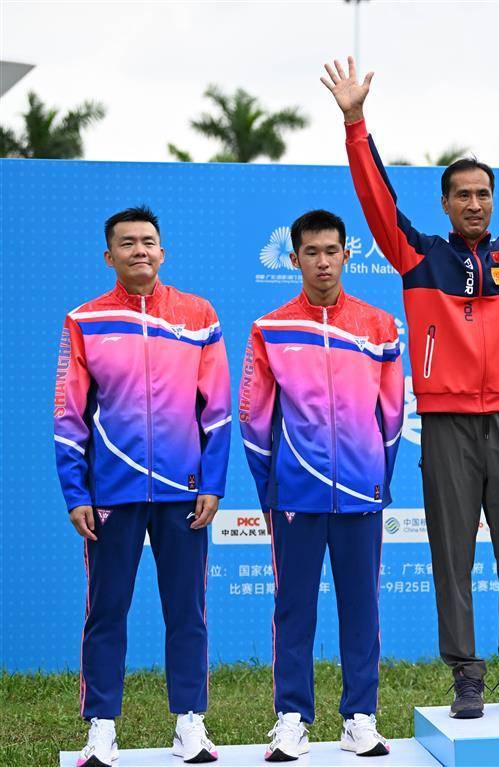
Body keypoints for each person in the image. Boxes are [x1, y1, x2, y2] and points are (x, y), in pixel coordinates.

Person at [323, 56, 499, 718]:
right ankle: (466, 675)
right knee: (452, 559)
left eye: (483, 194)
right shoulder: (420, 258)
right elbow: (377, 201)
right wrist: (356, 122)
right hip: (446, 427)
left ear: (494, 201)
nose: (475, 203)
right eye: (463, 195)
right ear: (445, 203)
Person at [54, 206, 229, 766]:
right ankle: (102, 727)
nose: (140, 251)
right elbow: (69, 417)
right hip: (112, 492)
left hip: (183, 491)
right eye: (127, 243)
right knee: (106, 611)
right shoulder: (85, 320)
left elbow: (218, 410)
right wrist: (77, 493)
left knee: (188, 612)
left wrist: (212, 482)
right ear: (109, 256)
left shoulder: (198, 315)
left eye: (148, 241)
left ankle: (190, 723)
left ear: (163, 251)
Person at [239, 210, 402, 760]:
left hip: (360, 493)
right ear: (295, 259)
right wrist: (272, 488)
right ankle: (291, 717)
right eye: (312, 252)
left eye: (332, 251)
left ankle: (360, 716)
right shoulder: (270, 328)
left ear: (347, 255)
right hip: (295, 495)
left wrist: (376, 477)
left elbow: (393, 415)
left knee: (362, 607)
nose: (323, 262)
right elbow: (254, 419)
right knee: (294, 608)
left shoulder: (379, 326)